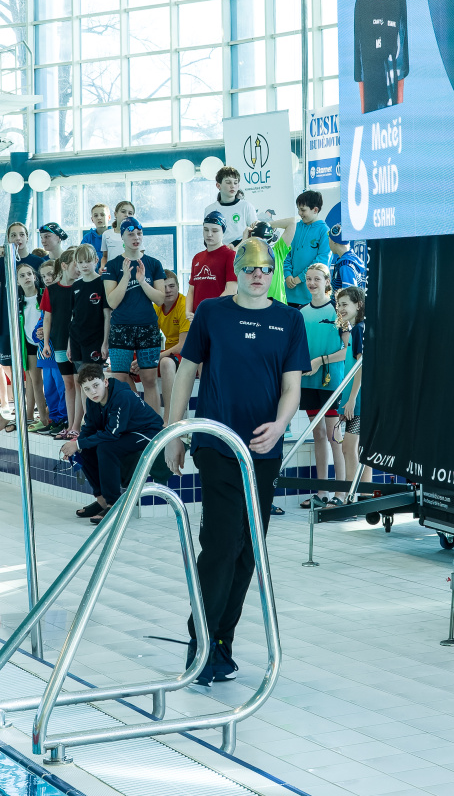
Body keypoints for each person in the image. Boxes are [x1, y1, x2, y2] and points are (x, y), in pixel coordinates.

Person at [165, 236, 310, 686]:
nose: (257, 275)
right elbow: (185, 373)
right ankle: (200, 648)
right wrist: (175, 432)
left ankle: (221, 644)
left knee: (249, 551)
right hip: (217, 444)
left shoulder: (289, 319)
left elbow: (291, 387)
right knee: (222, 546)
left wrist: (281, 425)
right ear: (237, 272)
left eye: (265, 268)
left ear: (273, 273)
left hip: (263, 450)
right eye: (249, 268)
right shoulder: (212, 313)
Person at [61, 363, 163, 525]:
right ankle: (101, 500)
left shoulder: (122, 396)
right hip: (125, 432)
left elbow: (112, 434)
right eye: (87, 389)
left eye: (96, 385)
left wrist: (79, 443)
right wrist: (75, 444)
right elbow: (89, 427)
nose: (93, 392)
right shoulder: (92, 401)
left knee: (106, 448)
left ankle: (113, 503)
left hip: (147, 432)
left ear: (105, 382)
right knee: (84, 449)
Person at [102, 216, 166, 414]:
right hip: (121, 328)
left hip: (148, 327)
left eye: (139, 233)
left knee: (149, 379)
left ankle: (153, 424)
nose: (136, 237)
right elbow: (112, 302)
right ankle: (133, 418)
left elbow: (160, 299)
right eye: (131, 234)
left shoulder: (153, 264)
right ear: (122, 237)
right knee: (120, 379)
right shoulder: (112, 266)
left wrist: (142, 281)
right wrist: (125, 278)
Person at [298, 263, 347, 509]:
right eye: (308, 279)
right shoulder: (301, 313)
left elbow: (347, 351)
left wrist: (320, 361)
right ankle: (322, 492)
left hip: (332, 382)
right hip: (309, 382)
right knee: (317, 435)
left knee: (334, 436)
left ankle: (341, 494)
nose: (311, 283)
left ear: (327, 281)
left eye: (317, 279)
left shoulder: (338, 311)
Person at [0, 223, 45, 418]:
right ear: (8, 239)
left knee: (34, 372)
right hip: (10, 320)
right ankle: (25, 410)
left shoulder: (38, 262)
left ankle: (31, 411)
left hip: (34, 324)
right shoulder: (3, 262)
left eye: (21, 234)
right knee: (12, 367)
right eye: (13, 235)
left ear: (27, 237)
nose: (18, 238)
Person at [40, 247, 81, 440]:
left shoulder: (82, 287)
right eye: (76, 264)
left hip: (79, 344)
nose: (79, 268)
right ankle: (69, 424)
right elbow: (47, 318)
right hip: (59, 343)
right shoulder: (51, 290)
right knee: (68, 384)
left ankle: (77, 425)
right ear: (64, 266)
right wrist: (46, 343)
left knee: (79, 384)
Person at [335, 286, 371, 500]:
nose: (340, 308)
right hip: (359, 399)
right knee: (362, 451)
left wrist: (351, 400)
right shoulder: (362, 328)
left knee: (349, 448)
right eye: (338, 305)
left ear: (359, 305)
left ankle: (350, 498)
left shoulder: (358, 330)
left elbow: (361, 367)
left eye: (345, 304)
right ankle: (365, 497)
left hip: (358, 401)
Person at [185, 211, 237, 320]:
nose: (209, 234)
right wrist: (188, 312)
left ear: (223, 232)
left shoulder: (230, 255)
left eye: (214, 231)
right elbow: (191, 289)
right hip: (198, 318)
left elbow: (231, 290)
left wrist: (210, 311)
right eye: (206, 230)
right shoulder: (197, 257)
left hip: (219, 316)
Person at [16, 263, 49, 434]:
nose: (27, 277)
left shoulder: (44, 294)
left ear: (35, 276)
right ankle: (40, 417)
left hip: (48, 342)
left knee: (50, 381)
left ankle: (50, 416)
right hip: (29, 343)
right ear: (17, 281)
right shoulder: (17, 301)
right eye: (22, 276)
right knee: (34, 380)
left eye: (29, 274)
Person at [283, 190, 330, 308]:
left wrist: (300, 278)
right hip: (289, 293)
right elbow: (286, 254)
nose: (300, 213)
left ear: (315, 210)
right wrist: (287, 274)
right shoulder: (295, 228)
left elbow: (322, 261)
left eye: (303, 210)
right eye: (298, 209)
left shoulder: (324, 231)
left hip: (311, 294)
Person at [154, 269, 190, 419]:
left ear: (178, 287)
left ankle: (169, 419)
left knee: (166, 363)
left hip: (187, 354)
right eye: (164, 287)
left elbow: (182, 346)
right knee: (129, 366)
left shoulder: (184, 305)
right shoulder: (157, 307)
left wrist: (158, 356)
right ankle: (144, 417)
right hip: (169, 352)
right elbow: (150, 339)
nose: (168, 290)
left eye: (171, 286)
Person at [37, 259, 67, 436]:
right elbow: (41, 322)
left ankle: (64, 419)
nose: (47, 278)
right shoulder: (46, 295)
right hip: (45, 352)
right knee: (49, 390)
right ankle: (54, 419)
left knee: (62, 387)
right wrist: (38, 333)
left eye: (50, 274)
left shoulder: (64, 294)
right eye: (43, 276)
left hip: (59, 350)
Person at [69, 244, 110, 371]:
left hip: (96, 340)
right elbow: (73, 317)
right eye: (80, 262)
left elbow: (107, 316)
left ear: (96, 261)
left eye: (87, 261)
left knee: (94, 378)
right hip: (76, 340)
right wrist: (69, 344)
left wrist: (105, 343)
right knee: (81, 379)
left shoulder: (103, 283)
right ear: (76, 264)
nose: (84, 265)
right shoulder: (75, 286)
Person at [203, 166, 257, 248]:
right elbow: (207, 238)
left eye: (235, 183)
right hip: (218, 253)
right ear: (218, 185)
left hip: (242, 252)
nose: (232, 186)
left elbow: (254, 234)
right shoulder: (210, 209)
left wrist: (235, 245)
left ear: (238, 186)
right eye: (228, 182)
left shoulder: (246, 207)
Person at [247, 216, 295, 305]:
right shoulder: (246, 256)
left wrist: (266, 225)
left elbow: (292, 222)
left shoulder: (277, 251)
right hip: (256, 306)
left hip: (278, 306)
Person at [100, 200, 136, 272]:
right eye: (123, 212)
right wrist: (103, 266)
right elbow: (105, 256)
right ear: (115, 214)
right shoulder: (106, 234)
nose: (127, 215)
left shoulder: (136, 235)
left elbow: (140, 256)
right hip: (112, 272)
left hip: (130, 271)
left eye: (130, 213)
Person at [328, 224, 366, 292]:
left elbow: (350, 295)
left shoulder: (346, 266)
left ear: (334, 242)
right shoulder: (348, 261)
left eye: (329, 239)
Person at [81, 203, 110, 270]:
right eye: (96, 215)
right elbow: (82, 257)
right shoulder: (87, 238)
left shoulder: (114, 236)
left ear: (109, 217)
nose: (99, 218)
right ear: (92, 219)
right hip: (92, 273)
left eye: (102, 215)